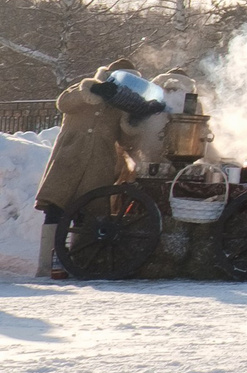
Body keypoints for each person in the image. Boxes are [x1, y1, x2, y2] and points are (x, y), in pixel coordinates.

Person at [35, 62, 164, 278]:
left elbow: (127, 141)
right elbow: (64, 103)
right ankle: (46, 265)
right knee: (55, 212)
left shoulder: (121, 108)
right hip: (68, 160)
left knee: (87, 216)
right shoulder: (82, 91)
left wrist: (137, 119)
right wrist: (92, 89)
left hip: (98, 165)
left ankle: (77, 263)